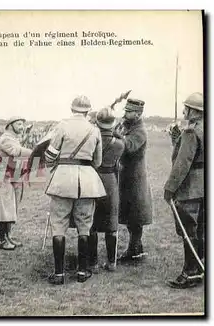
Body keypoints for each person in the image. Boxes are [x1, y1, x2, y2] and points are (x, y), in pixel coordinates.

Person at [41, 95, 105, 284]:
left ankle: (59, 274)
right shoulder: (94, 130)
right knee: (84, 226)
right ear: (87, 111)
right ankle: (82, 272)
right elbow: (98, 161)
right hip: (87, 180)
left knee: (58, 225)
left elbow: (51, 154)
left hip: (62, 179)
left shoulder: (62, 126)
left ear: (72, 109)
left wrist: (57, 166)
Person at [164, 92, 204, 289]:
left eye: (186, 108)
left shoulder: (191, 132)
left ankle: (190, 273)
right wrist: (176, 139)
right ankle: (201, 266)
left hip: (191, 189)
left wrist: (170, 188)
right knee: (203, 230)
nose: (184, 111)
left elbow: (183, 163)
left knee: (189, 231)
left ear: (193, 111)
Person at [0, 116, 32, 250]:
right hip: (1, 174)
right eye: (19, 124)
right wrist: (34, 152)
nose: (22, 127)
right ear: (10, 125)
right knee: (2, 208)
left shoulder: (13, 138)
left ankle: (8, 236)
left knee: (11, 206)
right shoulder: (6, 138)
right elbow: (16, 152)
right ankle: (2, 239)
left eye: (23, 124)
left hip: (10, 173)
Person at [114, 99, 153, 262]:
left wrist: (116, 135)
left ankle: (135, 249)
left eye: (128, 111)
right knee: (131, 215)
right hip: (128, 177)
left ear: (137, 114)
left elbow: (129, 147)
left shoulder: (140, 131)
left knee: (136, 215)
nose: (125, 114)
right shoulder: (130, 127)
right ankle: (135, 247)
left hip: (136, 179)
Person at [88, 107, 125, 272]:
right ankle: (111, 262)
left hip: (94, 179)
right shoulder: (119, 144)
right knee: (111, 222)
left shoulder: (91, 140)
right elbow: (120, 140)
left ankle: (93, 263)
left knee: (92, 223)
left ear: (97, 122)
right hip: (110, 181)